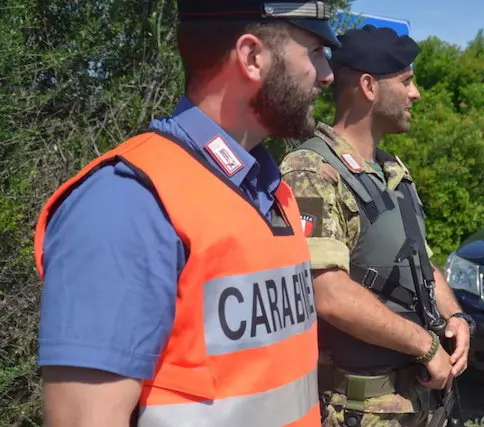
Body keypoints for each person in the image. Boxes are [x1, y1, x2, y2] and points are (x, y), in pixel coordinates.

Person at [32, 2, 339, 426]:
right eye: (315, 52)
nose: (327, 75)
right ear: (252, 57)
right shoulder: (126, 203)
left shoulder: (271, 190)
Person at [279, 25, 476, 427]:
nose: (415, 93)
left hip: (421, 402)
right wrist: (425, 346)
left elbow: (422, 265)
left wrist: (456, 318)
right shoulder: (311, 171)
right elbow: (327, 292)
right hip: (360, 410)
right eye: (406, 81)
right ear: (369, 86)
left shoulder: (392, 171)